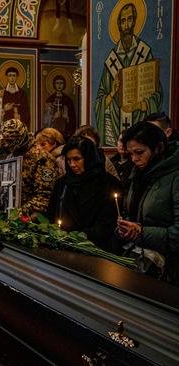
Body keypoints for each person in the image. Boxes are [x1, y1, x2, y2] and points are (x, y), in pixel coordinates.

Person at [116, 122, 179, 285]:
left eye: (139, 152)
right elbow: (134, 214)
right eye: (131, 154)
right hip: (139, 259)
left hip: (168, 271)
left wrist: (141, 232)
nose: (134, 159)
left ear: (158, 148)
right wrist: (124, 227)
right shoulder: (138, 173)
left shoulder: (174, 177)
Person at [95, 3, 161, 147]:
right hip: (115, 121)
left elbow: (157, 95)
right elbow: (99, 100)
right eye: (123, 21)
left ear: (135, 21)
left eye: (130, 19)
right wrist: (112, 93)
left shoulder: (144, 53)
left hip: (139, 122)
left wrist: (139, 105)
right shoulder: (111, 60)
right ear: (118, 24)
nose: (126, 25)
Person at [47, 136, 121, 251]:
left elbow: (107, 223)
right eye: (68, 160)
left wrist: (78, 236)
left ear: (89, 158)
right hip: (64, 247)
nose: (72, 164)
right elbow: (52, 214)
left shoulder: (108, 184)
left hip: (97, 248)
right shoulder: (62, 184)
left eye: (77, 159)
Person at [2, 118, 58, 215]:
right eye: (4, 140)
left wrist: (18, 213)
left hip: (32, 218)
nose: (6, 145)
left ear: (20, 137)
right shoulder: (12, 156)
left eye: (9, 141)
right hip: (11, 213)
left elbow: (44, 196)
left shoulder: (42, 158)